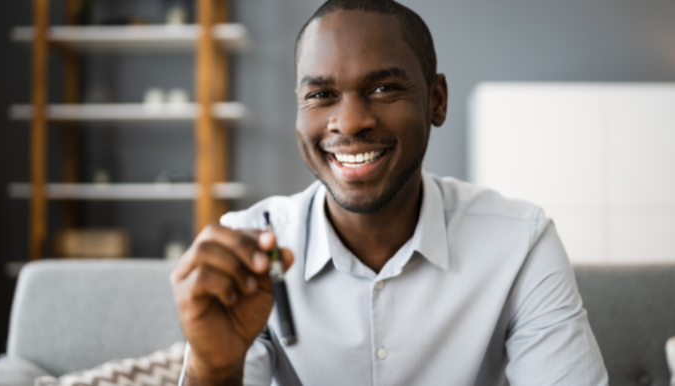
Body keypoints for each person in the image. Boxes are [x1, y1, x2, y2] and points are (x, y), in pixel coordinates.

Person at [170, 1, 609, 385]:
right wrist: (213, 371)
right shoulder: (249, 248)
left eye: (383, 89)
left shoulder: (520, 244)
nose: (349, 121)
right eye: (321, 94)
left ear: (436, 101)